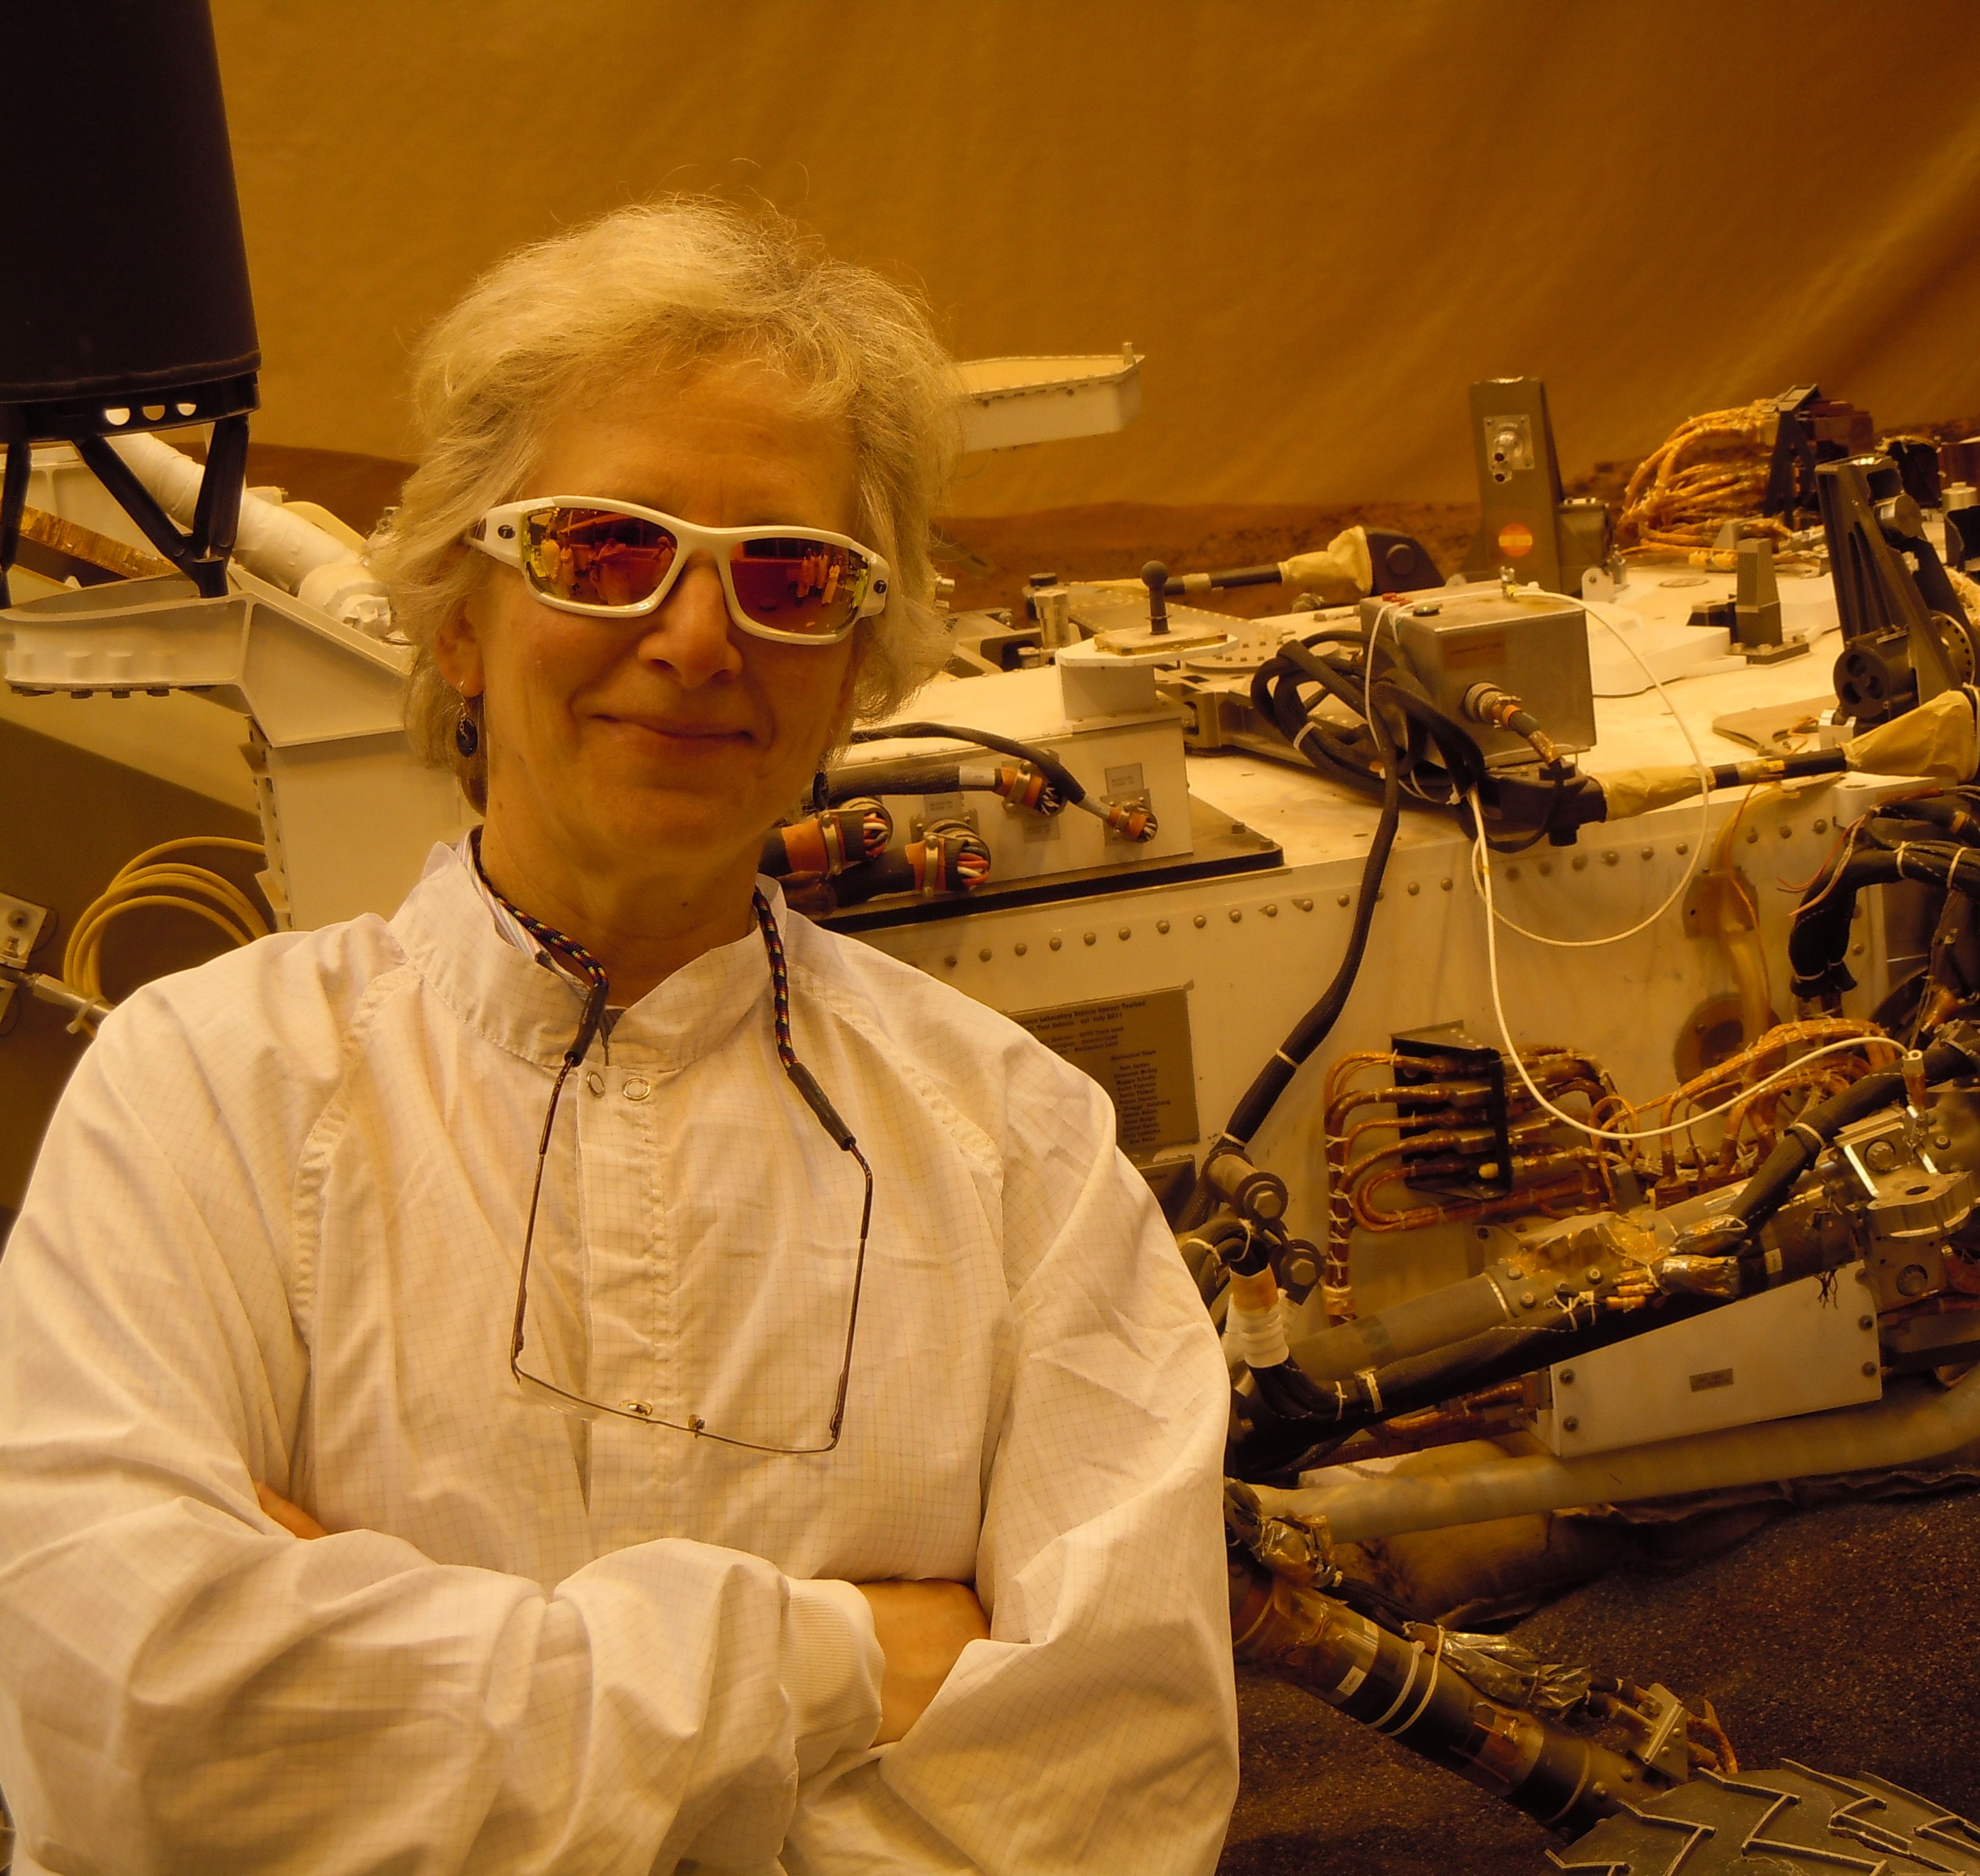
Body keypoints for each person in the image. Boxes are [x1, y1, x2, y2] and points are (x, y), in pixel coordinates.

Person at [0, 201, 1238, 1874]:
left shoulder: (1023, 1153)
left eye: (790, 576)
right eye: (606, 550)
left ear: (856, 669)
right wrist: (840, 1664)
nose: (698, 639)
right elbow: (135, 1737)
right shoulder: (207, 1092)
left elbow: (1118, 1791)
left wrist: (374, 1681)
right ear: (458, 618)